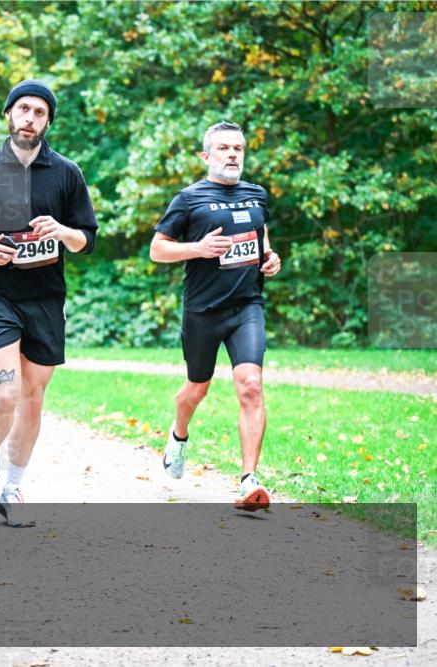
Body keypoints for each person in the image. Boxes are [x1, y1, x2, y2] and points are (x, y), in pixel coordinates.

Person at [0, 80, 98, 527]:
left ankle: (13, 486)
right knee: (6, 393)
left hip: (46, 300)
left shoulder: (67, 173)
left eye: (39, 112)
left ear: (47, 121)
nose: (30, 118)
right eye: (23, 109)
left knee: (33, 400)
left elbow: (86, 240)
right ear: (9, 114)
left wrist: (62, 231)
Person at [149, 120, 282, 511]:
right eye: (223, 148)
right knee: (197, 388)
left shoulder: (256, 195)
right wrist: (199, 248)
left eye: (238, 149)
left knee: (250, 384)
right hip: (203, 311)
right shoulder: (189, 198)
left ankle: (248, 481)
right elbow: (157, 250)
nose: (232, 155)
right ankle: (178, 434)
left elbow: (262, 243)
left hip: (247, 307)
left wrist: (270, 260)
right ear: (206, 156)